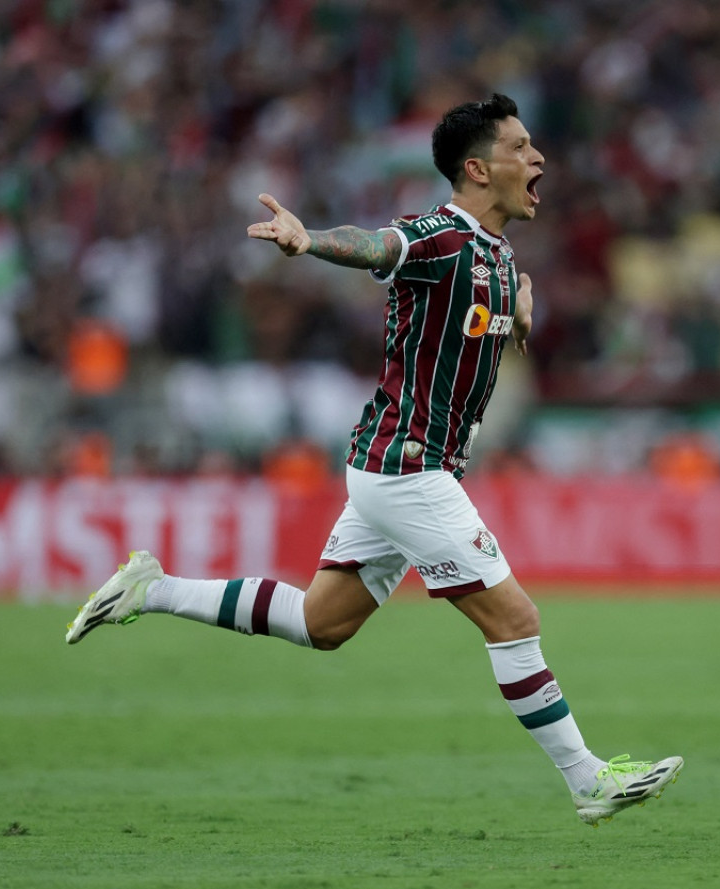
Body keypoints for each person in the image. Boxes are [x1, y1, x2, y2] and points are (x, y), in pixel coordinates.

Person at [64, 94, 682, 826]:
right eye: (520, 148)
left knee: (321, 622)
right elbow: (380, 246)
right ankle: (587, 782)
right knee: (514, 618)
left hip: (398, 466)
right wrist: (309, 240)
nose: (537, 158)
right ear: (478, 170)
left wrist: (516, 304)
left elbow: (484, 301)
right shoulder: (442, 236)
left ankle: (153, 589)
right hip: (409, 468)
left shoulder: (495, 252)